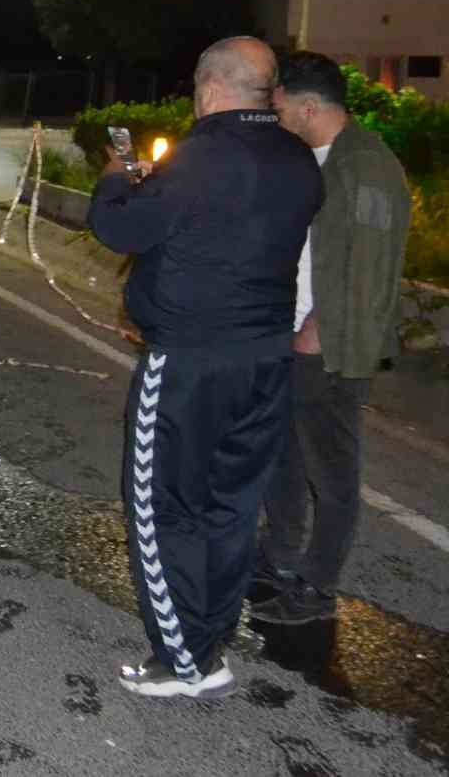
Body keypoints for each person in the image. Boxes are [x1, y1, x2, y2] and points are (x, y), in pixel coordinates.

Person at [87, 36, 323, 699]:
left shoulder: (201, 156)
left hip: (189, 363)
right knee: (230, 508)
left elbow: (118, 227)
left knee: (164, 509)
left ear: (209, 87)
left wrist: (115, 175)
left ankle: (179, 659)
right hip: (265, 361)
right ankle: (209, 643)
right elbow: (226, 223)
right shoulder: (298, 160)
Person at [250, 52, 411, 625]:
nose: (274, 111)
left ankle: (316, 589)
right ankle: (280, 555)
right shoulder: (317, 157)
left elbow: (367, 266)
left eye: (280, 104)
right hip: (292, 335)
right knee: (284, 453)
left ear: (309, 106)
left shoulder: (364, 166)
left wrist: (317, 330)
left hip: (330, 347)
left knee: (333, 469)